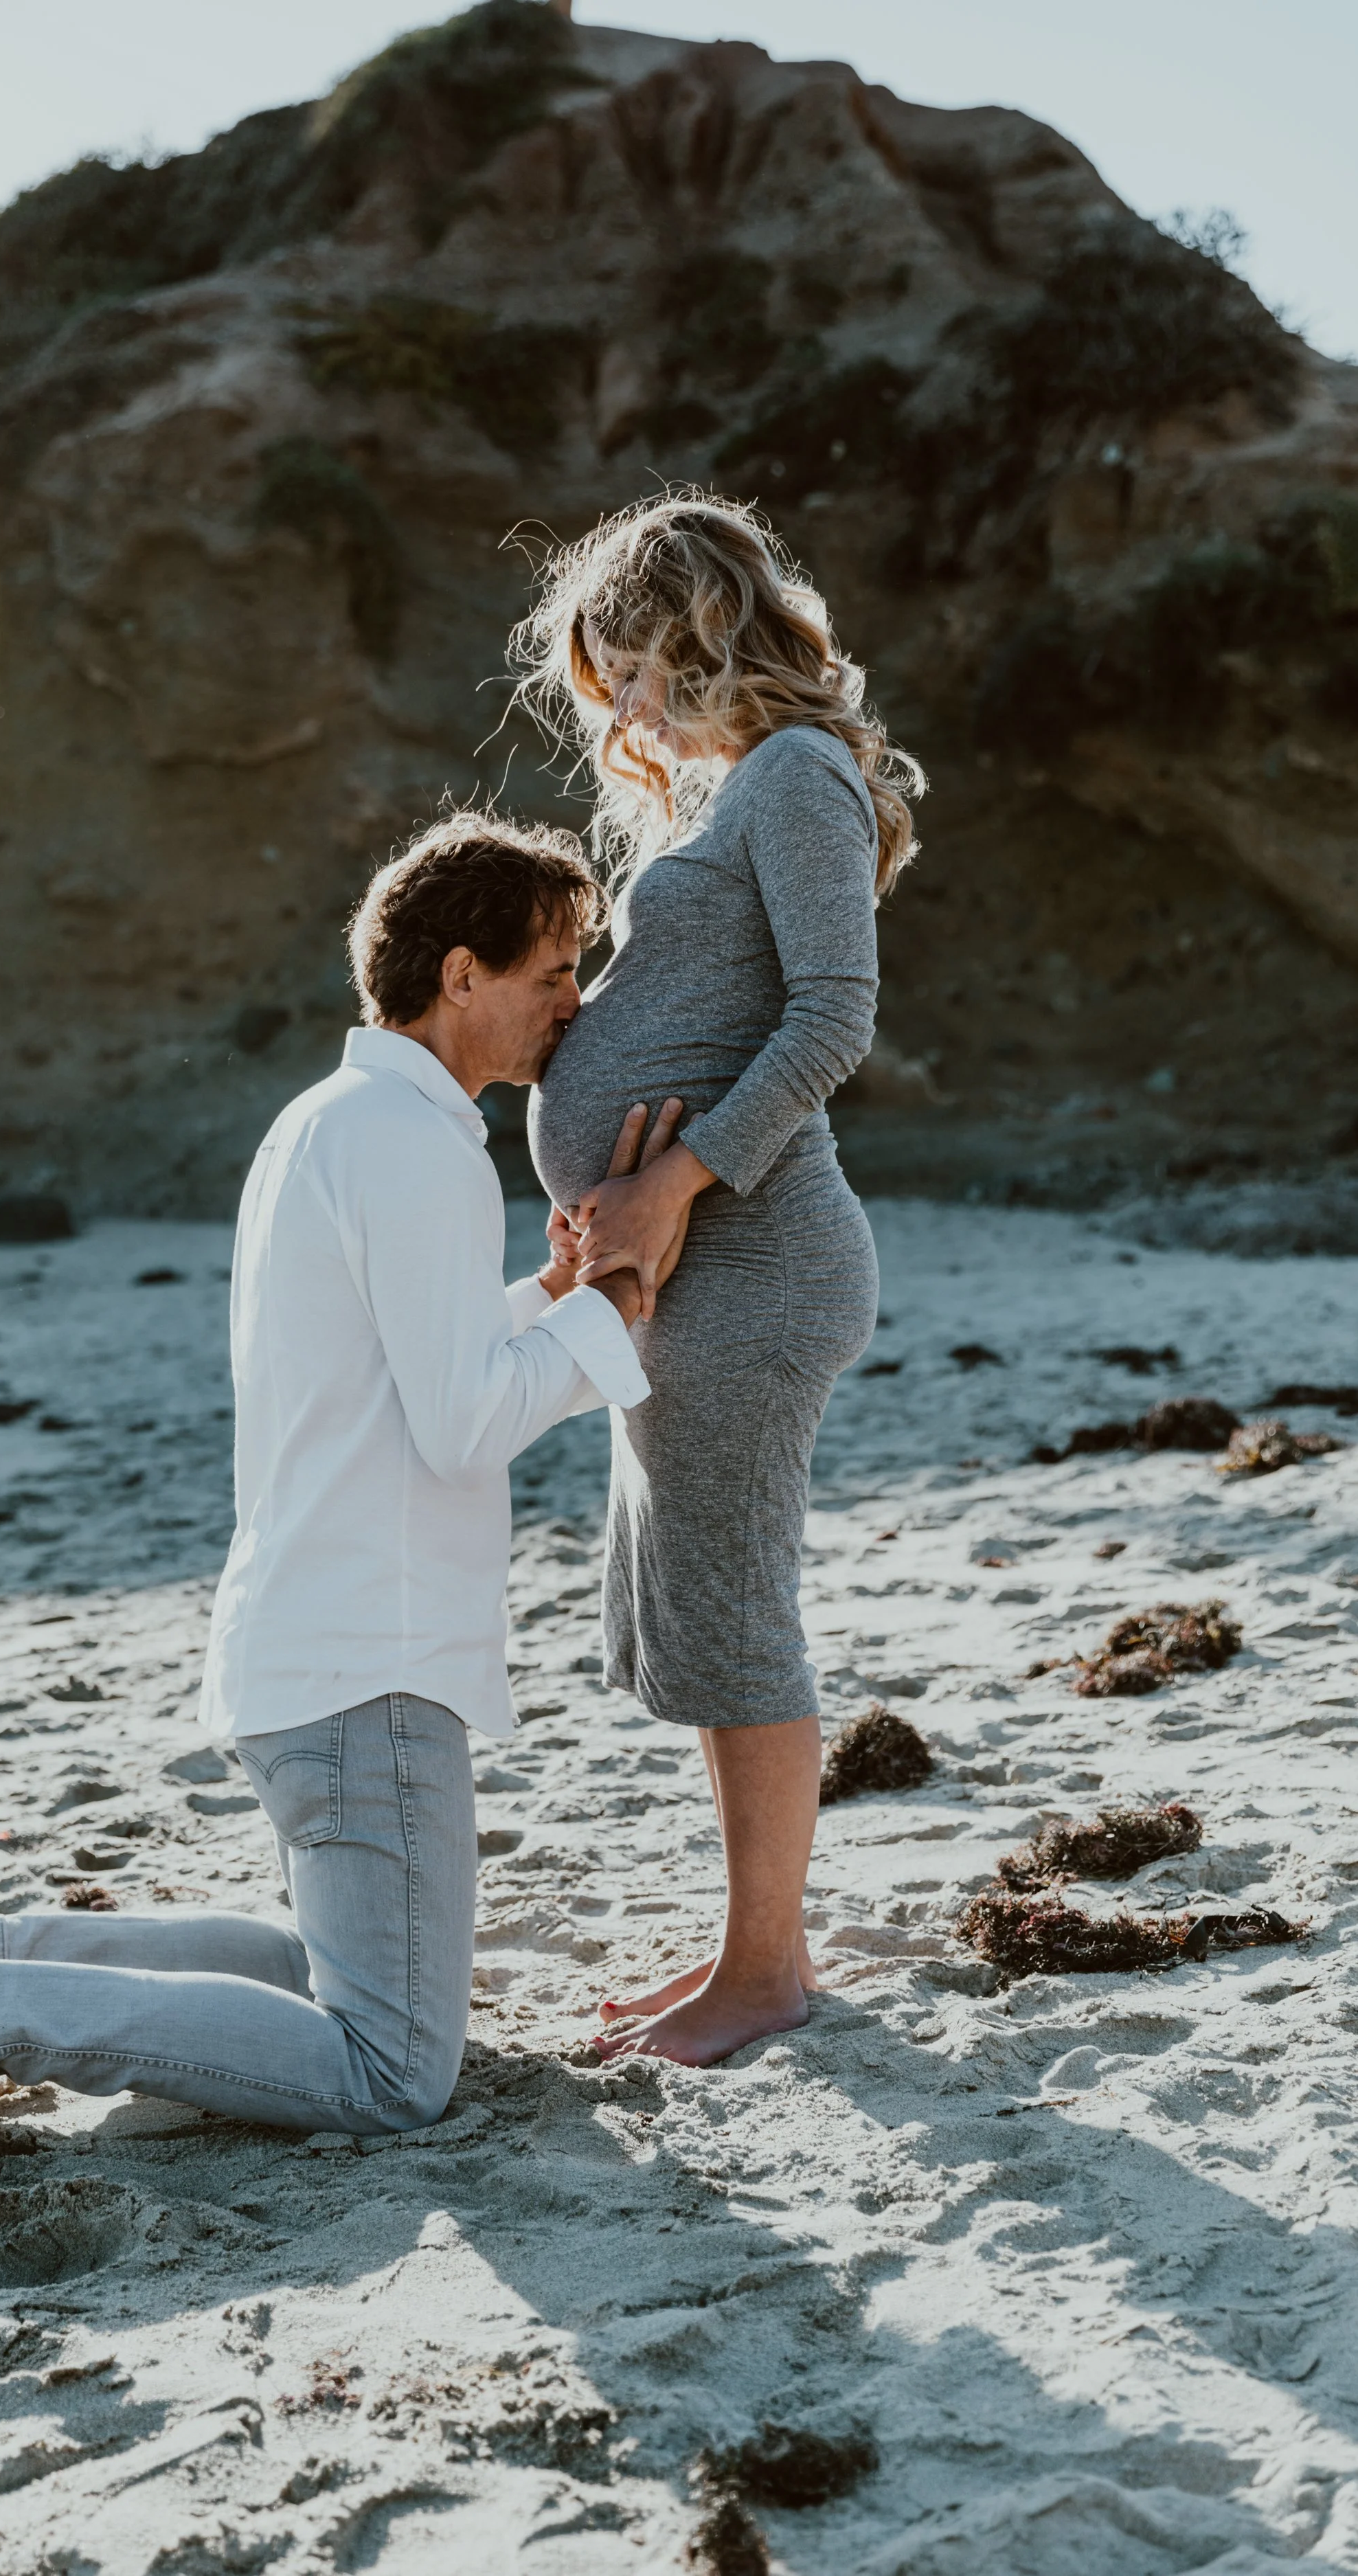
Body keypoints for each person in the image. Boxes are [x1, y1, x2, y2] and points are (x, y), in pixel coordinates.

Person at [0, 811, 668, 2155]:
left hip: (310, 1646)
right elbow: (463, 1422)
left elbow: (394, 1359)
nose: (567, 1004)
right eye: (547, 971)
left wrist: (542, 1295)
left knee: (328, 1978)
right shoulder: (417, 1148)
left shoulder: (328, 1123)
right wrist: (617, 1313)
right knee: (389, 2069)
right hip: (369, 1665)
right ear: (456, 974)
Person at [513, 490, 925, 2067]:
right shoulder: (721, 795)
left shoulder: (798, 776)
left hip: (756, 1266)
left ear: (682, 630)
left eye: (616, 661)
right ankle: (741, 1951)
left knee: (737, 1614)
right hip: (677, 1277)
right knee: (693, 1607)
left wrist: (671, 1181)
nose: (610, 703)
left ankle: (765, 1974)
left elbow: (832, 1017)